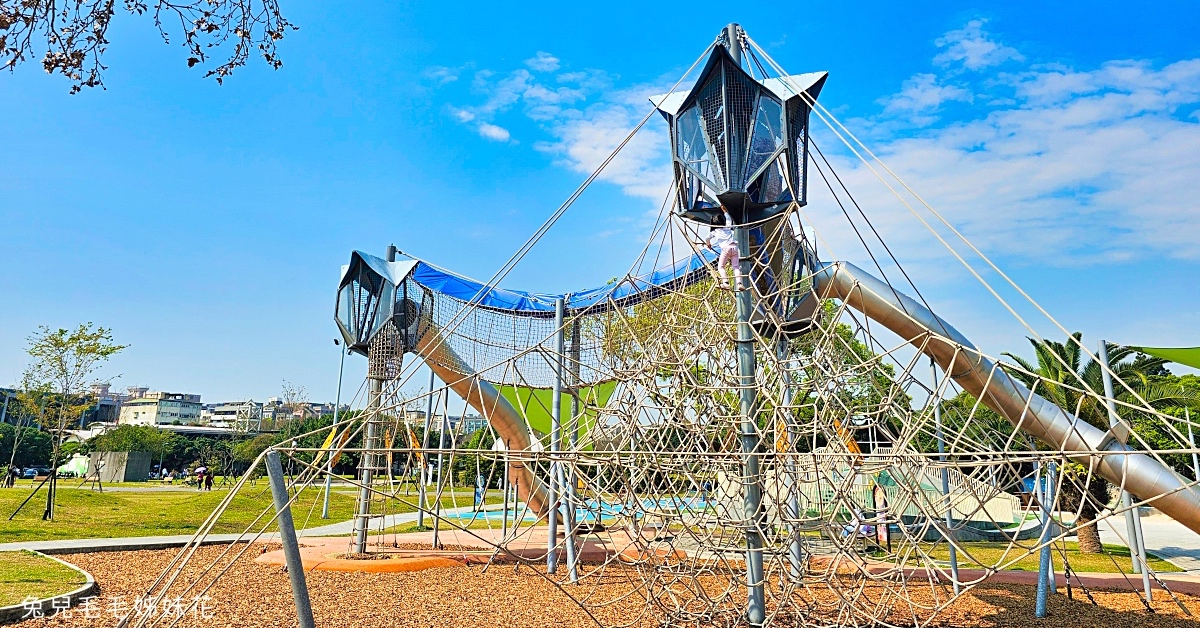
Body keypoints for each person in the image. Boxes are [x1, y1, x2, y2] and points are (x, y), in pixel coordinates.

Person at [706, 210, 743, 290]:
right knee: (736, 267)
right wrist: (725, 211)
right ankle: (739, 283)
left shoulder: (714, 231)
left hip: (726, 249)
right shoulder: (727, 227)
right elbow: (728, 219)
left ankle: (726, 283)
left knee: (720, 267)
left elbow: (707, 238)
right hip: (734, 247)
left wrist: (708, 244)